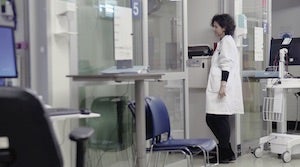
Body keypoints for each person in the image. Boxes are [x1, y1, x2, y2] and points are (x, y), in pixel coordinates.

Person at [205, 14, 244, 163]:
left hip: (222, 87)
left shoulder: (227, 41)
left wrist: (223, 85)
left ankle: (225, 152)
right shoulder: (224, 42)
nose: (214, 29)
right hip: (219, 86)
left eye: (216, 26)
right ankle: (226, 151)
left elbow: (226, 64)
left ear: (224, 27)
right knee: (214, 118)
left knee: (219, 119)